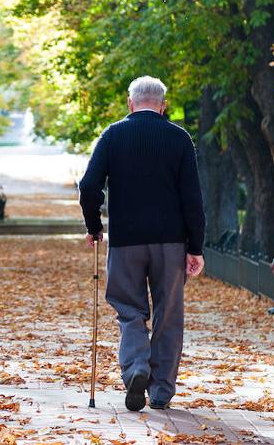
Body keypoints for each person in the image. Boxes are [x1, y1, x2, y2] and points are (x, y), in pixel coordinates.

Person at [79, 76, 205, 412]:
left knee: (128, 308)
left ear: (130, 103)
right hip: (171, 242)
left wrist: (94, 226)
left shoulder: (113, 135)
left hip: (126, 242)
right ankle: (161, 390)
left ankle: (136, 366)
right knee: (169, 313)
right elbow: (193, 198)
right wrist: (196, 246)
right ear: (163, 106)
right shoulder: (179, 138)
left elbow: (89, 186)